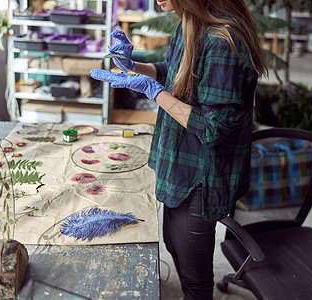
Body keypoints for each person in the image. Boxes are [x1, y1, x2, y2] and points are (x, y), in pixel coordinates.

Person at [91, 0, 267, 298]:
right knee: (173, 244)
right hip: (179, 161)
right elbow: (173, 71)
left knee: (194, 275)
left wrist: (154, 92)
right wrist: (134, 67)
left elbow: (215, 129)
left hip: (200, 174)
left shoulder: (222, 40)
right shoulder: (191, 21)